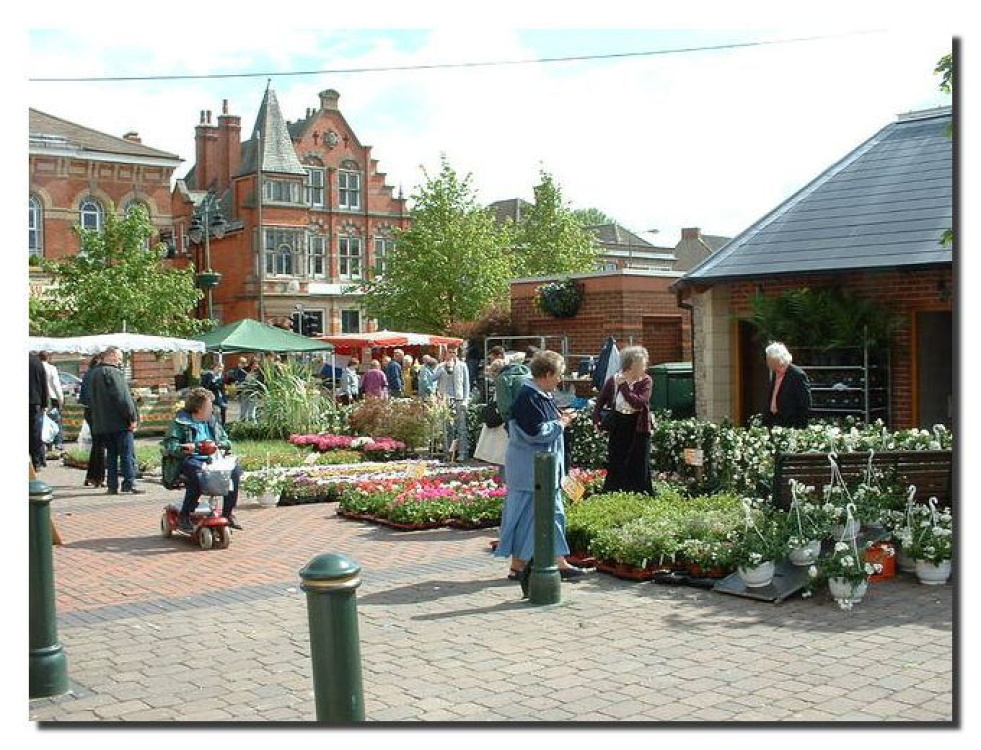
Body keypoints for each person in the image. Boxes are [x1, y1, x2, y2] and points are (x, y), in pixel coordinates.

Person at [494, 350, 586, 581]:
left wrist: (559, 419)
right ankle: (523, 564)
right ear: (546, 374)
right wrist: (562, 422)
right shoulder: (528, 397)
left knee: (550, 513)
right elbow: (535, 433)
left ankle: (552, 561)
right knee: (527, 516)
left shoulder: (538, 396)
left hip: (541, 474)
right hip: (531, 473)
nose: (560, 380)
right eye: (558, 375)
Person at [161, 387, 244, 533]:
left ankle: (228, 513)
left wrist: (219, 445)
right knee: (198, 474)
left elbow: (226, 440)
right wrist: (186, 448)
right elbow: (170, 446)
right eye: (209, 406)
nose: (212, 409)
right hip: (191, 459)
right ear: (199, 408)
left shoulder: (212, 422)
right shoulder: (180, 422)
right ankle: (184, 515)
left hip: (213, 459)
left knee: (234, 472)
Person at [592, 345, 654, 495]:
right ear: (633, 363)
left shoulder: (646, 381)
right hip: (619, 422)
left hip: (638, 424)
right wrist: (596, 419)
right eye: (643, 362)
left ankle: (640, 492)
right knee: (617, 458)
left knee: (639, 458)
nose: (645, 366)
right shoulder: (613, 380)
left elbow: (639, 403)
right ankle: (615, 491)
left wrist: (624, 387)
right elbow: (600, 401)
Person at [87, 347, 142, 494]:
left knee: (111, 455)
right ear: (111, 356)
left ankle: (112, 485)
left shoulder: (93, 374)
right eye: (119, 357)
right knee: (126, 454)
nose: (120, 361)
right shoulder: (112, 372)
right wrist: (131, 417)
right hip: (119, 422)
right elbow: (122, 397)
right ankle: (129, 483)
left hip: (102, 423)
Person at [434, 347, 471, 461]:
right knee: (447, 428)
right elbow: (432, 379)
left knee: (461, 427)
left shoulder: (462, 366)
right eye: (450, 352)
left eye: (454, 353)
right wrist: (441, 370)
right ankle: (448, 453)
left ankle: (462, 453)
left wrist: (465, 400)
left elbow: (466, 384)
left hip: (458, 399)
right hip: (445, 399)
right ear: (446, 354)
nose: (452, 355)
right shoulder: (440, 366)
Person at [763, 342, 811, 428]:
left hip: (789, 423)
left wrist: (799, 427)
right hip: (774, 420)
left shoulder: (797, 375)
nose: (767, 362)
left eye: (768, 359)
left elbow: (805, 403)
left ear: (777, 359)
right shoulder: (775, 373)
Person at [78, 354, 107, 487]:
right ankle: (98, 477)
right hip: (99, 412)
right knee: (100, 445)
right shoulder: (99, 374)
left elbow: (82, 397)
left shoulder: (88, 374)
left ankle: (91, 476)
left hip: (89, 411)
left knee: (97, 444)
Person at [38, 352, 64, 454]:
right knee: (56, 420)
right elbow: (56, 385)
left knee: (44, 421)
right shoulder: (52, 368)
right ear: (47, 358)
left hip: (40, 398)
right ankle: (58, 442)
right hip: (52, 397)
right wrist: (61, 399)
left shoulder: (35, 368)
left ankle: (47, 444)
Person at [29, 353, 49, 471]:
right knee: (35, 433)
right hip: (34, 402)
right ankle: (36, 462)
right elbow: (43, 384)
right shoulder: (36, 362)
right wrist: (44, 403)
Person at [200, 360, 228, 425]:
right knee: (211, 411)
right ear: (215, 367)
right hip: (209, 396)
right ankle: (210, 424)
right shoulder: (208, 375)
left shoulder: (220, 377)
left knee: (223, 408)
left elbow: (222, 389)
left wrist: (225, 399)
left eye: (222, 368)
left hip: (217, 396)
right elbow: (204, 386)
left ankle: (222, 425)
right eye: (220, 367)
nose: (221, 369)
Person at [238, 357, 262, 422]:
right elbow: (241, 380)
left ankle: (253, 428)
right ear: (251, 364)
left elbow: (260, 384)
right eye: (254, 363)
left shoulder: (260, 373)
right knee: (243, 414)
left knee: (251, 414)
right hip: (244, 393)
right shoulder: (245, 370)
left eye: (257, 364)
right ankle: (241, 428)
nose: (256, 365)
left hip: (253, 394)